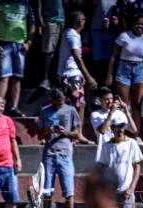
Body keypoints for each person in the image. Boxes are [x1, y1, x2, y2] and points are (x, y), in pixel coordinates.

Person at [38, 88, 80, 208]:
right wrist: (47, 131)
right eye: (57, 102)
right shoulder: (45, 111)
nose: (59, 104)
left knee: (69, 191)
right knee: (47, 191)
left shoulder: (71, 110)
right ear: (52, 100)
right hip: (49, 154)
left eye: (61, 102)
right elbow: (39, 136)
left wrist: (65, 132)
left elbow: (77, 134)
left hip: (65, 154)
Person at [106, 14, 143, 144]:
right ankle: (121, 134)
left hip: (140, 69)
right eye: (137, 23)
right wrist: (110, 74)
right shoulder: (124, 36)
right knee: (124, 104)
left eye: (142, 24)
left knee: (137, 104)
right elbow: (113, 56)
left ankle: (136, 134)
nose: (139, 26)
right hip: (123, 69)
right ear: (132, 24)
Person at [56, 11, 97, 141]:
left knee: (69, 105)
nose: (85, 22)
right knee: (80, 104)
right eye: (84, 19)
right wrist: (88, 76)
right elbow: (76, 57)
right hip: (71, 74)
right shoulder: (73, 35)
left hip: (69, 74)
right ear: (79, 21)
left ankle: (69, 133)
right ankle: (78, 134)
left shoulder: (68, 33)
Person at [0, 0, 34, 117]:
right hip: (4, 44)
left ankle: (14, 107)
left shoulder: (26, 4)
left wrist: (29, 42)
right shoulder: (0, 4)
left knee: (17, 77)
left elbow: (32, 25)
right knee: (3, 77)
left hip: (20, 45)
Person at [97, 114, 143, 208]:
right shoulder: (106, 146)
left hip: (126, 191)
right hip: (111, 193)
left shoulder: (132, 143)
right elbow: (103, 167)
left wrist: (131, 188)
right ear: (112, 128)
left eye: (122, 126)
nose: (120, 129)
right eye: (117, 126)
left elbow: (137, 166)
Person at [90, 87, 137, 159]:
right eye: (107, 99)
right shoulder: (95, 114)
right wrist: (111, 112)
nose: (110, 101)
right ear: (100, 100)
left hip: (120, 150)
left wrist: (127, 112)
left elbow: (133, 130)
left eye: (111, 98)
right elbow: (103, 130)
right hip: (105, 152)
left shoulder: (120, 113)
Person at [36, 0, 65, 91]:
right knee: (48, 51)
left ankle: (57, 79)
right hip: (49, 19)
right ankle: (45, 79)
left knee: (59, 52)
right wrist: (39, 17)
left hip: (62, 19)